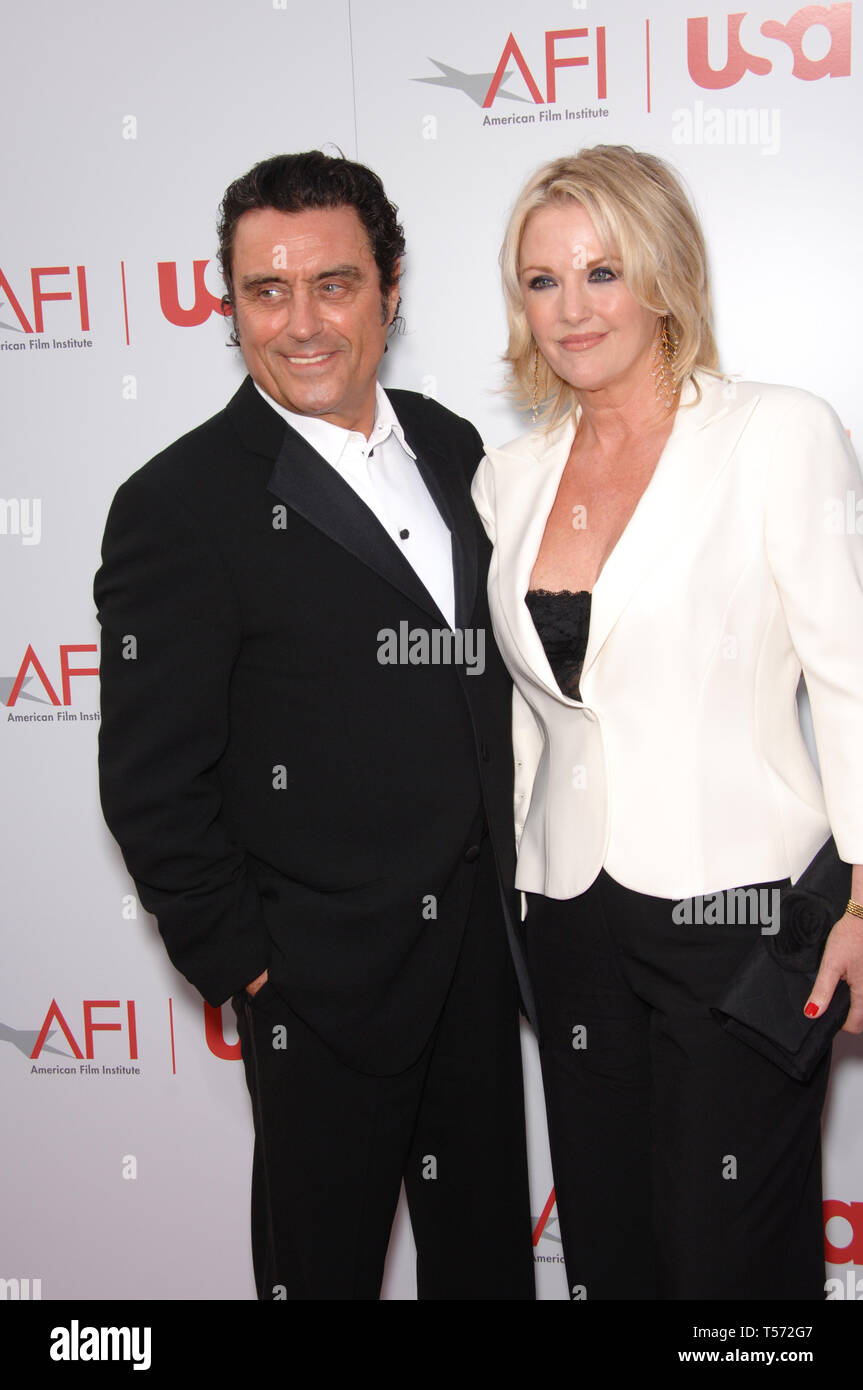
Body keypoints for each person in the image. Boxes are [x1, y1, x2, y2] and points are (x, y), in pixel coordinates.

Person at [95, 151, 535, 1301]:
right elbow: (150, 782)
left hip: (478, 957)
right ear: (230, 301)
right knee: (319, 1274)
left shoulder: (451, 448)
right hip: (320, 985)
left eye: (332, 284)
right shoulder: (177, 504)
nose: (299, 323)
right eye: (264, 291)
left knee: (484, 1263)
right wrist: (249, 967)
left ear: (389, 288)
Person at [471, 144, 863, 1301]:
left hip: (735, 915)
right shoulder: (513, 474)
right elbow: (535, 715)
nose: (571, 307)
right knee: (612, 1249)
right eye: (541, 281)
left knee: (727, 1259)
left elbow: (848, 676)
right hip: (571, 923)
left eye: (603, 270)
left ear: (664, 275)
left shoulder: (773, 433)